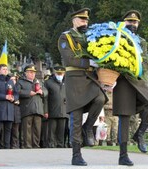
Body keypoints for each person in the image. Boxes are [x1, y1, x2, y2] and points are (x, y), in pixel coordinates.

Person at [58, 8, 107, 166]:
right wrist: (89, 62)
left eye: (86, 20)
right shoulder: (65, 37)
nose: (84, 22)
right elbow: (69, 59)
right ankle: (76, 154)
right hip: (75, 79)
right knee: (76, 118)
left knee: (100, 98)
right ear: (74, 20)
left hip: (90, 78)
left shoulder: (90, 37)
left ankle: (88, 128)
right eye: (81, 19)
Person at [113, 10, 148, 166]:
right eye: (130, 22)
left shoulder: (142, 41)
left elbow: (146, 63)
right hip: (123, 80)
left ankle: (139, 134)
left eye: (135, 22)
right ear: (124, 22)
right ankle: (123, 155)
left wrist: (147, 80)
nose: (133, 24)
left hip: (138, 80)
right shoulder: (116, 37)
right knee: (124, 117)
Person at [16, 65, 48, 148]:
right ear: (26, 73)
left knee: (37, 129)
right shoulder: (20, 82)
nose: (32, 74)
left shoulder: (38, 82)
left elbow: (46, 91)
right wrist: (28, 93)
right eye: (30, 72)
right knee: (27, 129)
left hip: (38, 109)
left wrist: (42, 92)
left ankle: (36, 145)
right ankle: (27, 145)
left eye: (33, 72)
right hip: (27, 108)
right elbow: (17, 92)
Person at [0, 64, 19, 149]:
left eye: (6, 69)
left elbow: (16, 93)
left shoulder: (10, 81)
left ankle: (7, 147)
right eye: (3, 69)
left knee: (8, 129)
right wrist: (4, 97)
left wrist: (14, 98)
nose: (5, 70)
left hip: (9, 108)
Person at [44, 66, 68, 148]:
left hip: (63, 110)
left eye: (61, 73)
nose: (60, 75)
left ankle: (60, 144)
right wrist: (45, 111)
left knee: (61, 130)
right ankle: (51, 144)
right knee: (52, 130)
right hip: (52, 110)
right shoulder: (48, 82)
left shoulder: (67, 83)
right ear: (55, 73)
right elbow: (45, 98)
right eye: (58, 73)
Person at [9, 74, 21, 149]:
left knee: (15, 130)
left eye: (14, 79)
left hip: (16, 112)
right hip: (8, 112)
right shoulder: (7, 87)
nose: (13, 81)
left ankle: (14, 145)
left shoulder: (18, 87)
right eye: (11, 79)